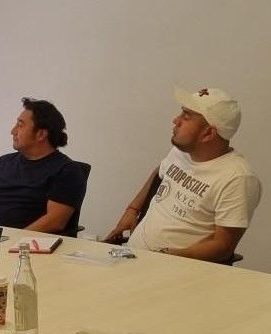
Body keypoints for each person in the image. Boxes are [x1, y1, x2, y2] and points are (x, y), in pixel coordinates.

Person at [102, 87, 262, 262]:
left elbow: (223, 246)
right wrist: (132, 209)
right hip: (133, 256)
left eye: (186, 117)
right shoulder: (181, 153)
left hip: (174, 268)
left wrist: (169, 257)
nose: (175, 120)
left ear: (208, 133)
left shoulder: (237, 178)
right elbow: (159, 172)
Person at [0, 98, 87, 236]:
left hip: (23, 244)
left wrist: (14, 239)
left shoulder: (67, 171)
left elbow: (55, 221)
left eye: (20, 125)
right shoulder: (4, 162)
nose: (13, 131)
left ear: (41, 134)